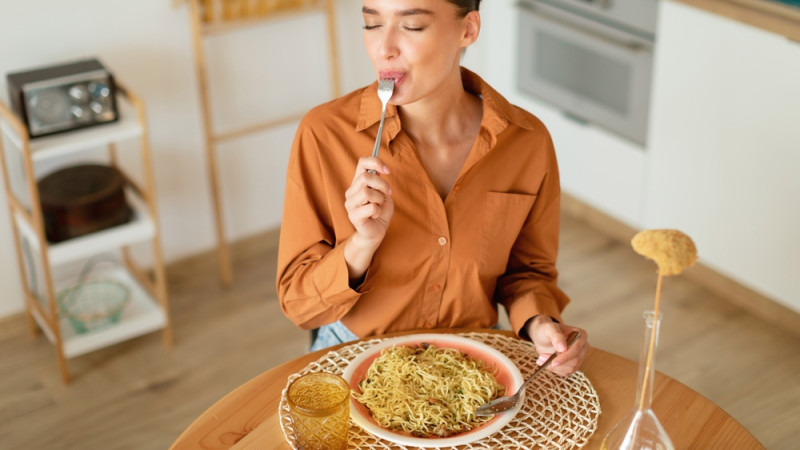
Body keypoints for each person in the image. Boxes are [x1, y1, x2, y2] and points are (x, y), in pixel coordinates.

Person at [277, 0, 588, 376]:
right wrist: (360, 246)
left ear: (468, 30)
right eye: (371, 24)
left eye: (412, 27)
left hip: (475, 359)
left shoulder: (526, 141)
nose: (384, 48)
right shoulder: (324, 135)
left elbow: (528, 272)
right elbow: (299, 305)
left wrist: (539, 323)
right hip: (354, 356)